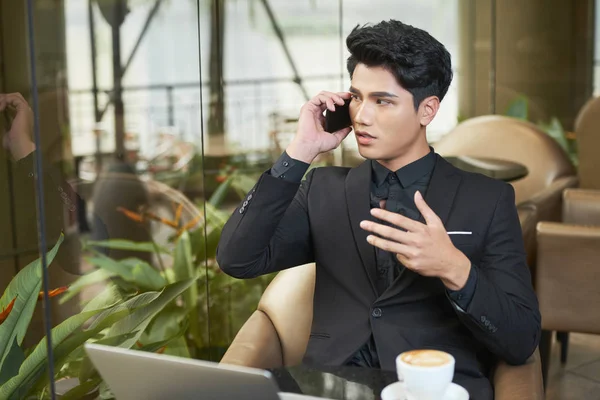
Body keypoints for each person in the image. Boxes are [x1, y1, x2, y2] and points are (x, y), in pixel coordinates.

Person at [217, 20, 540, 399]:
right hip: (329, 386)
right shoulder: (323, 190)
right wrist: (300, 152)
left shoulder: (486, 200)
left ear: (427, 110)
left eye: (382, 101)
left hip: (433, 389)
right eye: (357, 97)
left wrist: (454, 268)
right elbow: (237, 259)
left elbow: (521, 339)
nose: (361, 116)